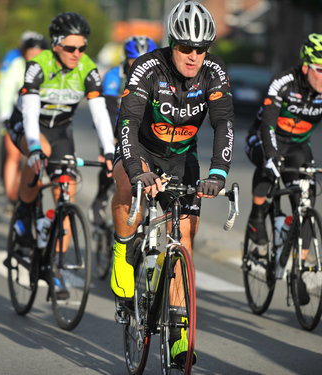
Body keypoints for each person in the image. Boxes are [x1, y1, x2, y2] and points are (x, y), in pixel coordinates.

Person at [110, 0, 234, 367]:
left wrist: (218, 173)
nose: (194, 55)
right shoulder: (147, 67)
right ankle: (122, 249)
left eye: (201, 48)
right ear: (172, 43)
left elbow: (224, 124)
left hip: (182, 158)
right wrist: (137, 170)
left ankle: (179, 336)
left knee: (183, 240)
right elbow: (128, 124)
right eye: (185, 48)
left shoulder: (213, 72)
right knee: (125, 183)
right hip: (143, 150)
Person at [7, 12, 115, 293]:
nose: (77, 54)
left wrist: (109, 152)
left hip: (61, 132)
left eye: (82, 48)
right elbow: (30, 113)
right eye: (70, 48)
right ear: (55, 45)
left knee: (65, 194)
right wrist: (32, 147)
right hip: (28, 125)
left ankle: (53, 263)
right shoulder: (38, 66)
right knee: (39, 150)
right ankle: (23, 213)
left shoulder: (88, 69)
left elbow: (100, 114)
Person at [245, 34, 322, 264]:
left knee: (305, 202)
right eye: (320, 69)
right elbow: (267, 123)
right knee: (269, 166)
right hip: (264, 138)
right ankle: (257, 216)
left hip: (298, 146)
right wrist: (271, 155)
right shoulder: (283, 81)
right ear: (306, 66)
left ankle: (298, 269)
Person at [88, 35, 157, 228]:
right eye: (134, 60)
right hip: (115, 126)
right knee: (111, 161)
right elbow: (108, 112)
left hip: (142, 130)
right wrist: (108, 146)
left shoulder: (157, 76)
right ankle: (101, 197)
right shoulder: (114, 76)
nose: (140, 65)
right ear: (126, 59)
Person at [0, 32, 48, 213]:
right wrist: (5, 116)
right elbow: (4, 90)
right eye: (31, 53)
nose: (34, 57)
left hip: (39, 120)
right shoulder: (17, 65)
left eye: (38, 53)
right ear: (24, 53)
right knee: (13, 156)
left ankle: (26, 192)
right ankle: (11, 197)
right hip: (16, 116)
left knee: (35, 159)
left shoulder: (48, 69)